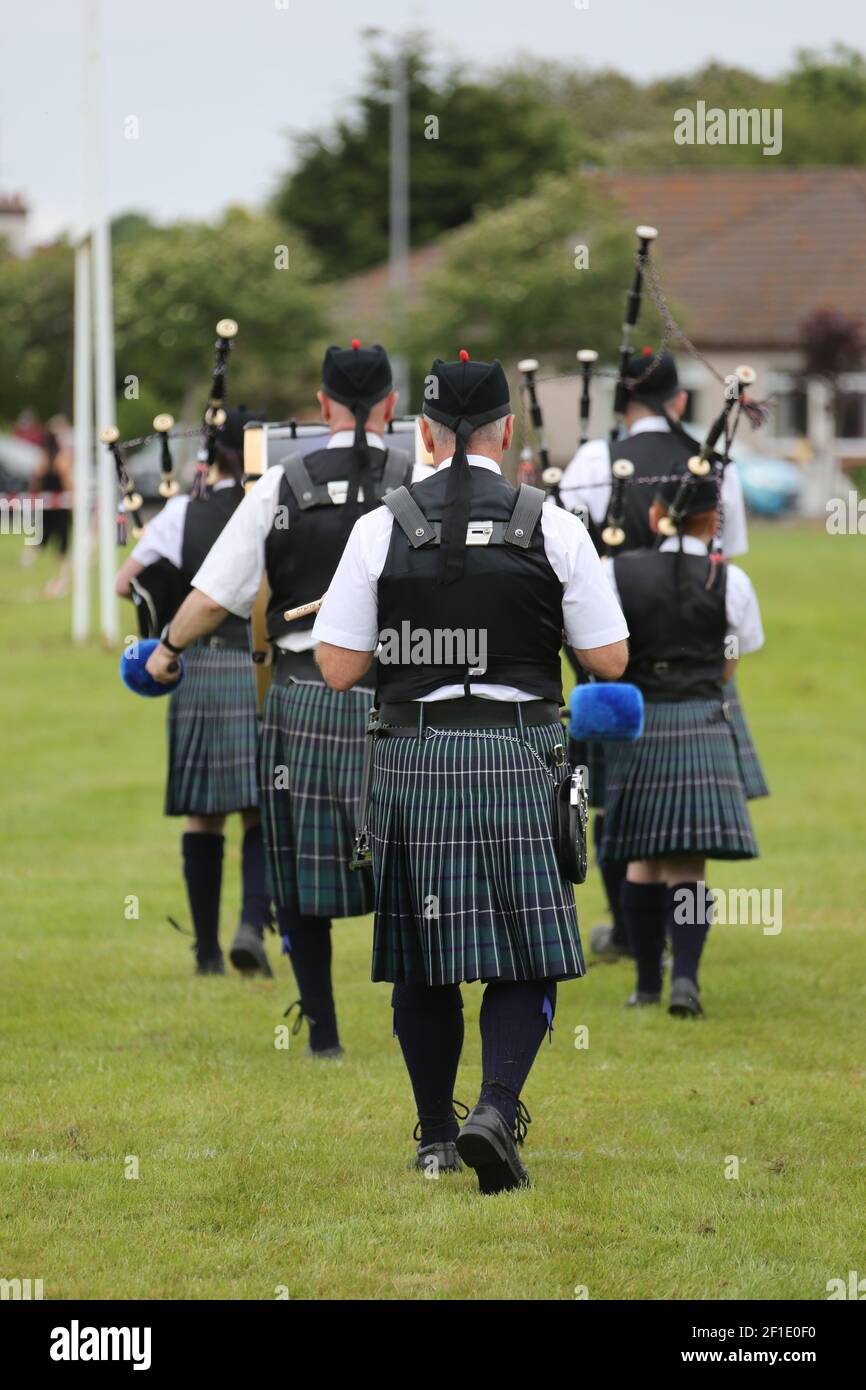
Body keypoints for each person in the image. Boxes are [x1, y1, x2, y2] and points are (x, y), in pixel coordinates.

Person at [312, 352, 629, 1190]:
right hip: (520, 751)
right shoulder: (550, 523)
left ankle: (433, 1137)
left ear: (421, 430)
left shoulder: (381, 525)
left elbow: (338, 669)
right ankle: (494, 1108)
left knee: (424, 956)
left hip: (416, 755)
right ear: (506, 432)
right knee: (525, 952)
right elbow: (609, 655)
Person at [144, 342, 415, 1058]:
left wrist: (167, 648)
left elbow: (215, 595)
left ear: (323, 406)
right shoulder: (419, 479)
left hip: (306, 696)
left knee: (300, 876)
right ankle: (416, 1022)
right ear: (389, 405)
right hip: (408, 698)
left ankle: (324, 1033)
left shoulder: (280, 485)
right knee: (416, 870)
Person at [559, 350, 764, 961]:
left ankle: (629, 936)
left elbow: (571, 553)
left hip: (621, 661)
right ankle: (678, 962)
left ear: (623, 401)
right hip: (702, 671)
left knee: (619, 812)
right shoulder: (718, 468)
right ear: (678, 401)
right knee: (686, 841)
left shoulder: (597, 457)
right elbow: (732, 556)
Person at [600, 463, 766, 1017]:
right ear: (712, 521)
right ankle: (685, 982)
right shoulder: (731, 579)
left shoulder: (615, 572)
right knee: (689, 867)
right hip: (702, 717)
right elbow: (735, 655)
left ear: (654, 515)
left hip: (640, 720)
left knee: (640, 861)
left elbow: (602, 651)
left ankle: (647, 985)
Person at [116, 411, 271, 977]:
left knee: (203, 817)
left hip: (195, 664)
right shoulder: (276, 508)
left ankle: (207, 953)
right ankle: (252, 924)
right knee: (260, 810)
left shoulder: (183, 512)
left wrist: (161, 612)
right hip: (260, 668)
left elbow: (123, 581)